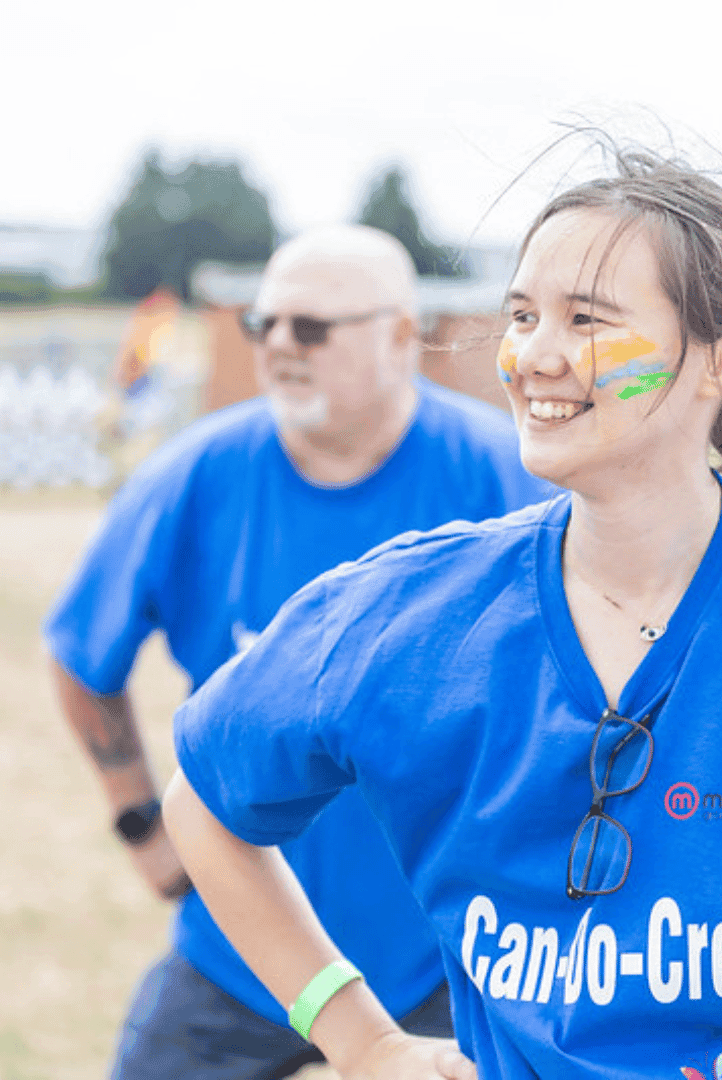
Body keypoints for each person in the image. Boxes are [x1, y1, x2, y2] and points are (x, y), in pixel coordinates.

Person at [161, 153, 722, 1080]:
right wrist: (359, 1039)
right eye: (522, 316)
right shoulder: (406, 613)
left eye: (588, 320)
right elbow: (201, 803)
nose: (534, 357)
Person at [45, 224, 554, 1080]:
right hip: (241, 947)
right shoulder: (197, 474)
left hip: (450, 948)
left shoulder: (504, 478)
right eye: (264, 323)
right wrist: (140, 821)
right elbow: (81, 654)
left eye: (311, 327)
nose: (280, 344)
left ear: (400, 336)